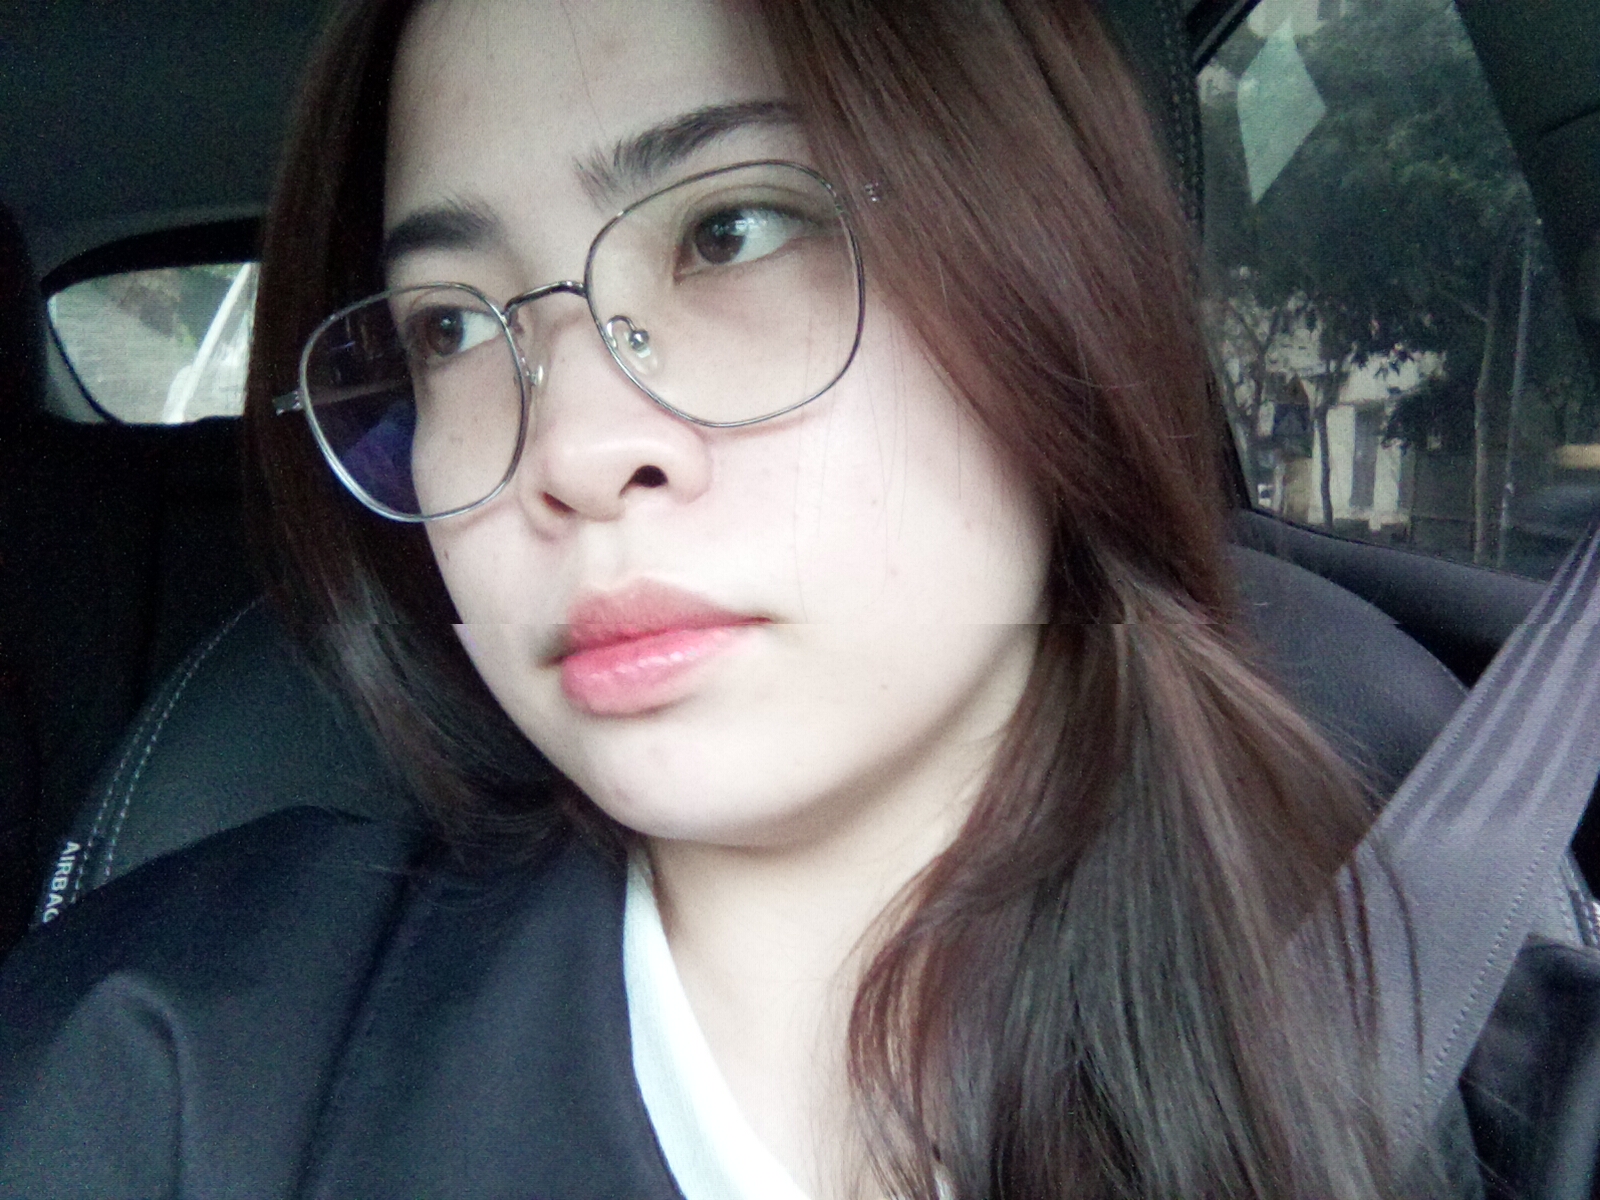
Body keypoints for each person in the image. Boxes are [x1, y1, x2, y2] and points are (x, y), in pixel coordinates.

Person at [0, 1, 1486, 1196]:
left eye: (732, 231)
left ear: (1052, 266)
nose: (572, 451)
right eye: (448, 326)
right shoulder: (169, 1061)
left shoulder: (1482, 1011)